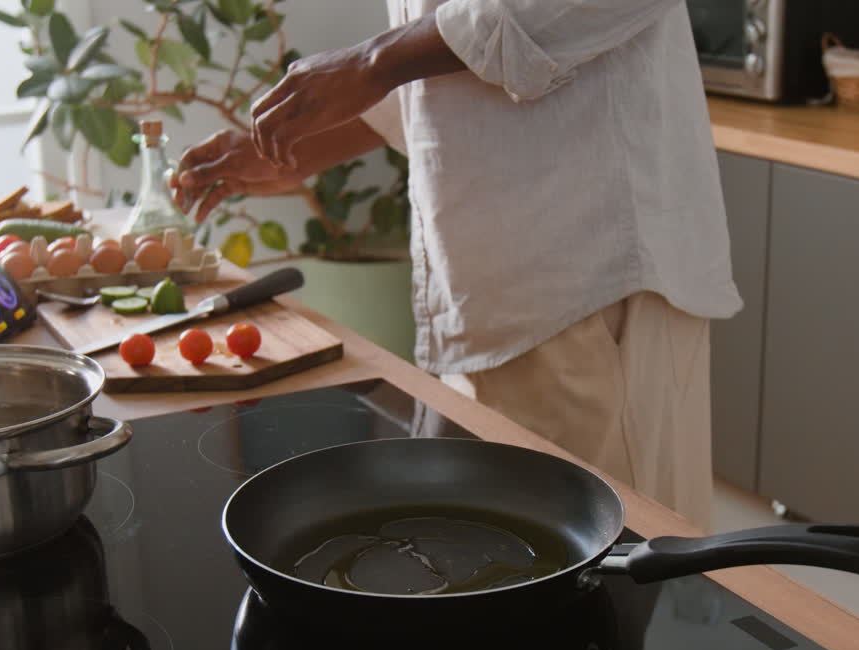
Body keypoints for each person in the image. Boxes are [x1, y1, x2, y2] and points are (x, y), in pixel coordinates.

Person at [170, 0, 741, 530]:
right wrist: (300, 146)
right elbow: (447, 56)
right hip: (483, 292)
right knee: (513, 578)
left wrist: (376, 60)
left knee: (611, 583)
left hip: (589, 273)